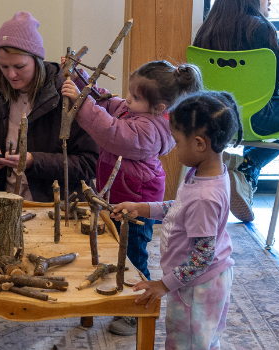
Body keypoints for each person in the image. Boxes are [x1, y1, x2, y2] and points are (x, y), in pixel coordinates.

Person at [62, 60, 196, 336]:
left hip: (136, 200)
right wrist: (79, 78)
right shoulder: (136, 110)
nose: (128, 100)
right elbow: (108, 102)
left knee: (133, 253)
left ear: (159, 108)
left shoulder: (150, 129)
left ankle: (137, 308)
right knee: (111, 244)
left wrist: (81, 105)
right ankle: (116, 292)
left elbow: (111, 131)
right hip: (118, 195)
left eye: (135, 97)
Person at [122, 91, 241, 350]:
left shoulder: (204, 197)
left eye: (177, 141)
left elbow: (201, 256)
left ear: (199, 144)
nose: (173, 149)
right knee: (202, 341)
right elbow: (179, 208)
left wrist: (162, 285)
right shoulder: (207, 173)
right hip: (199, 280)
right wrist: (142, 208)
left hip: (197, 287)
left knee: (186, 342)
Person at [192, 0, 279, 222]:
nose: (269, 1)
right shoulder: (261, 28)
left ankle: (244, 172)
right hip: (258, 119)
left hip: (214, 120)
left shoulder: (206, 30)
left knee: (270, 105)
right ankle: (249, 165)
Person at [0, 11, 99, 203]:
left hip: (56, 205)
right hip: (7, 200)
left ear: (37, 60)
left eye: (19, 66)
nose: (11, 75)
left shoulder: (67, 95)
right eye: (4, 67)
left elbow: (90, 164)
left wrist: (34, 161)